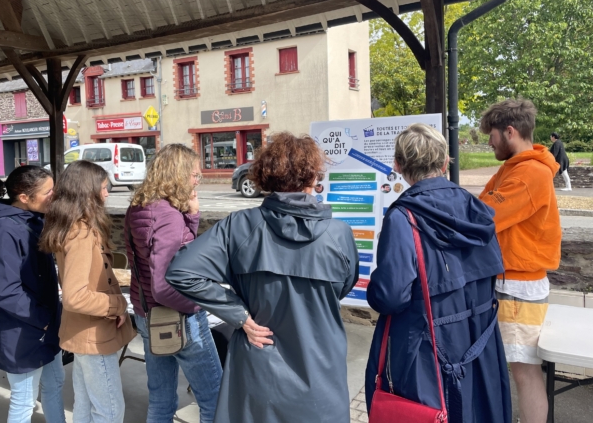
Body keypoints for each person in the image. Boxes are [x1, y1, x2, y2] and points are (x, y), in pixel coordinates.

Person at [166, 132, 360, 423]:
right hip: (321, 372)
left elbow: (181, 270)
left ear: (266, 176)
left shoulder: (239, 226)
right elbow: (344, 286)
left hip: (260, 373)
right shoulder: (339, 234)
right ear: (312, 177)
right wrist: (240, 315)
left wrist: (239, 315)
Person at [365, 123, 511, 423]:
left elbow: (391, 297)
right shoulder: (477, 210)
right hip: (481, 341)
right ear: (445, 163)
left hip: (428, 350)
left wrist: (373, 287)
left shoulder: (403, 217)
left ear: (398, 165)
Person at [125, 144, 222, 423]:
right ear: (177, 174)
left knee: (161, 399)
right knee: (214, 398)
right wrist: (198, 304)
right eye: (194, 174)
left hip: (147, 314)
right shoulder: (167, 215)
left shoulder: (139, 207)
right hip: (179, 317)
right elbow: (164, 284)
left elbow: (177, 254)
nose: (197, 181)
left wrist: (191, 216)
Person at [478, 100, 561, 423]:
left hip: (518, 286)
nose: (489, 142)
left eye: (492, 135)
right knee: (520, 369)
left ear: (509, 131)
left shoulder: (529, 173)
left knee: (525, 371)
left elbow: (483, 216)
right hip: (512, 281)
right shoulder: (513, 168)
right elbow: (481, 205)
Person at [40, 161, 134, 423]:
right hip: (93, 335)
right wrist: (117, 305)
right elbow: (75, 296)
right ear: (87, 191)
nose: (106, 194)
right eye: (103, 188)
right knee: (110, 411)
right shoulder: (80, 233)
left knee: (85, 404)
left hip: (84, 331)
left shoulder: (73, 226)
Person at [0, 166, 65, 423]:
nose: (54, 195)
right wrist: (43, 320)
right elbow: (7, 291)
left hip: (46, 324)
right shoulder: (6, 229)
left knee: (55, 384)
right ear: (24, 197)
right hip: (24, 329)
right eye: (48, 192)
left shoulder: (34, 219)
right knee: (25, 399)